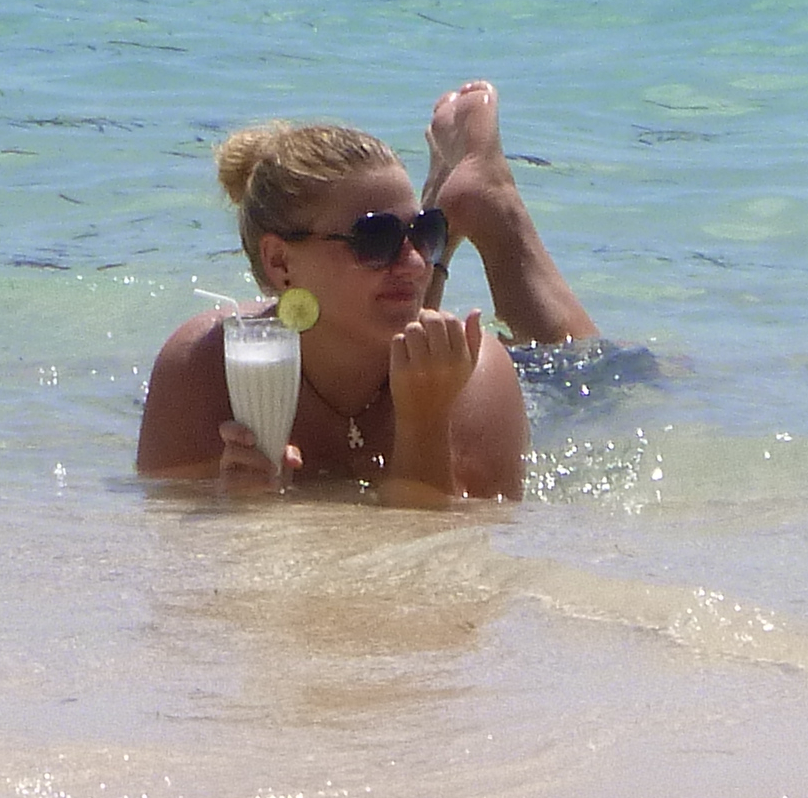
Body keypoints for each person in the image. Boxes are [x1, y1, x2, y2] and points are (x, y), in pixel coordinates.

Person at [135, 83, 600, 504]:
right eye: (375, 240)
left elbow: (447, 551)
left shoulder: (474, 372)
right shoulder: (205, 367)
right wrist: (241, 505)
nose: (415, 262)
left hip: (542, 384)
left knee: (590, 369)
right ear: (280, 262)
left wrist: (426, 420)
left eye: (425, 232)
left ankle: (491, 201)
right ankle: (455, 194)